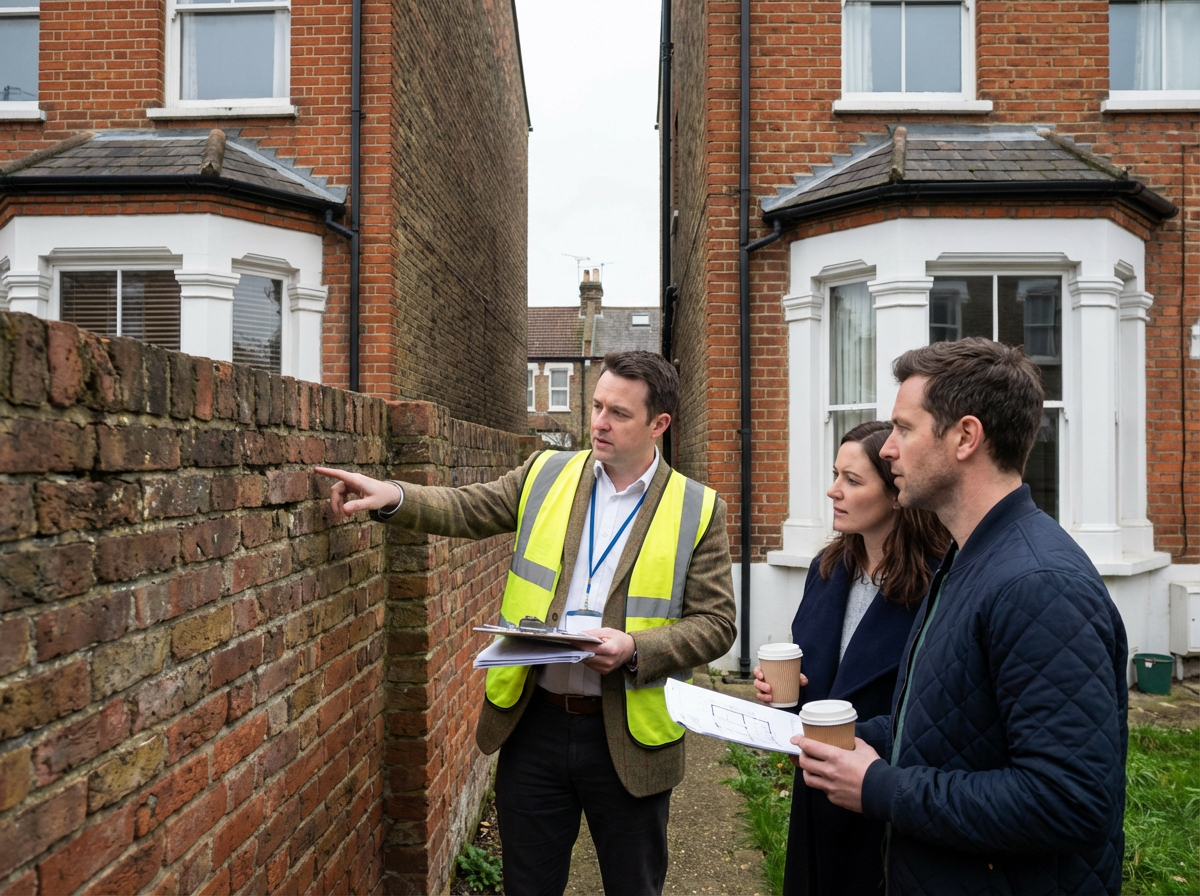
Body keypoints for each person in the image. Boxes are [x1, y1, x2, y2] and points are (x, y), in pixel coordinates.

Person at [316, 350, 736, 896]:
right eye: (595, 405)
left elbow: (717, 623)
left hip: (630, 739)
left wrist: (635, 647)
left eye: (618, 413)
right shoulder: (547, 473)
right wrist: (393, 496)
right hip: (534, 725)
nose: (598, 423)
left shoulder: (698, 507)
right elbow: (466, 508)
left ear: (659, 424)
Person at [796, 337, 1129, 894]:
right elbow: (952, 722)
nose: (891, 450)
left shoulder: (1039, 584)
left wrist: (881, 787)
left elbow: (1069, 800)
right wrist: (859, 736)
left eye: (904, 429)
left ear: (965, 437)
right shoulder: (966, 557)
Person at [752, 420, 949, 895]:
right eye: (835, 474)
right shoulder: (827, 570)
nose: (832, 490)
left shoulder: (938, 584)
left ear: (896, 491)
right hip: (816, 792)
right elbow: (818, 676)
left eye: (852, 480)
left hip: (882, 796)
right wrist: (779, 689)